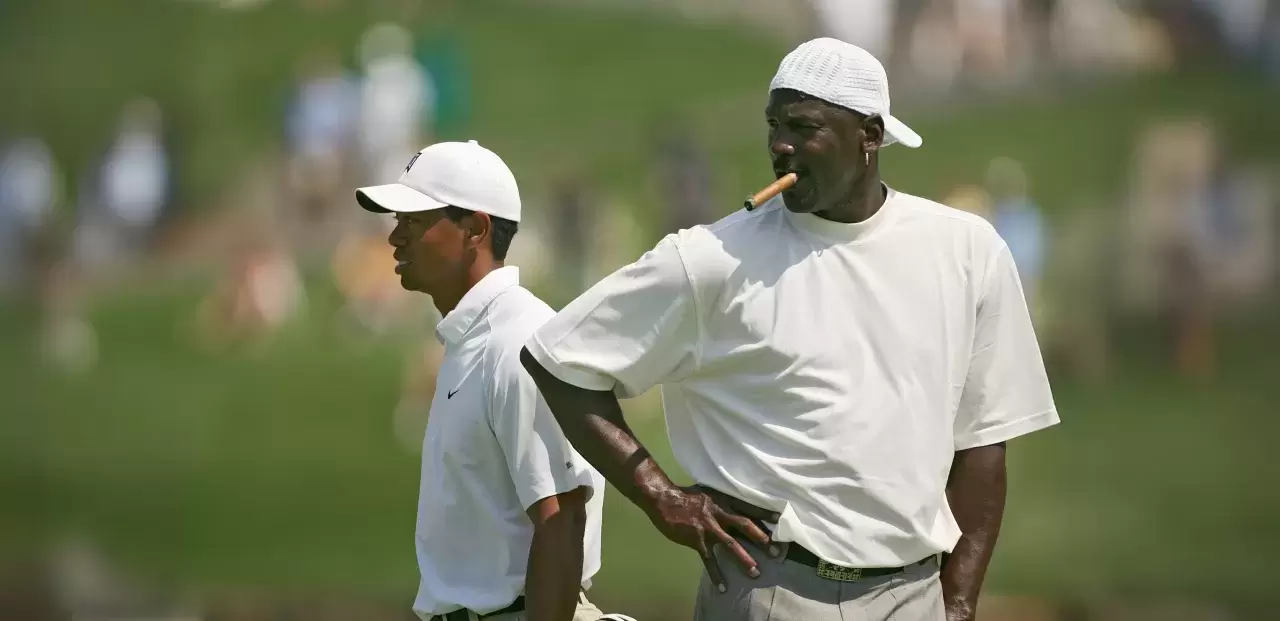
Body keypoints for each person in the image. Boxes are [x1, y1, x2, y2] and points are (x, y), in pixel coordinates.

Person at [520, 38, 1059, 621]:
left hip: (914, 595)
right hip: (769, 589)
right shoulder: (713, 258)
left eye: (804, 127)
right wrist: (661, 497)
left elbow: (984, 443)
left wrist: (955, 606)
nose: (780, 145)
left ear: (870, 135)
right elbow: (557, 358)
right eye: (774, 125)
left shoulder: (968, 252)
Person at [355, 140, 609, 621]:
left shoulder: (516, 342)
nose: (395, 237)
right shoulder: (472, 339)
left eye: (413, 221)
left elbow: (561, 517)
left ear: (475, 228)